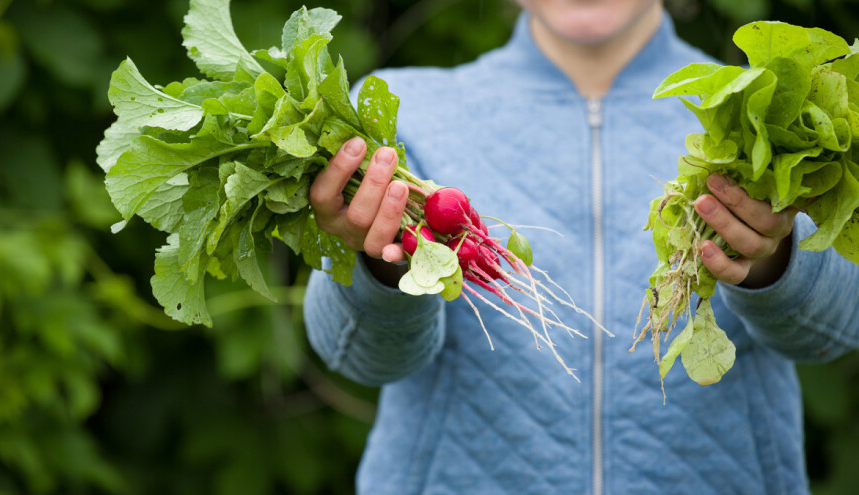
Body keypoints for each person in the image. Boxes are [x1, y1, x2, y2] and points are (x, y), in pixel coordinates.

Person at [303, 0, 859, 493]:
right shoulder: (405, 116)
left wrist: (769, 261)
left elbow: (836, 330)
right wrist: (382, 262)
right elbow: (357, 355)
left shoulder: (755, 112)